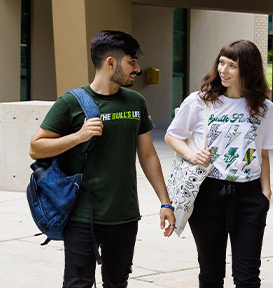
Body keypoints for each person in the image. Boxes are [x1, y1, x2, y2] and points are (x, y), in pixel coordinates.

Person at [28, 30, 175, 288]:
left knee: (117, 283)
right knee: (78, 283)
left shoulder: (135, 102)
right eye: (132, 61)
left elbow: (148, 154)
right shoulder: (70, 102)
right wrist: (78, 136)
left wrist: (166, 202)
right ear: (110, 62)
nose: (138, 69)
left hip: (125, 215)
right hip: (83, 216)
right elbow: (36, 148)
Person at [165, 39, 273, 288]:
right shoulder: (199, 101)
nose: (223, 70)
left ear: (248, 69)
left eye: (232, 65)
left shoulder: (264, 107)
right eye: (221, 63)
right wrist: (192, 155)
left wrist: (265, 193)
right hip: (208, 193)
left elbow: (264, 153)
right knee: (211, 274)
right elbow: (172, 136)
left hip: (250, 195)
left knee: (248, 277)